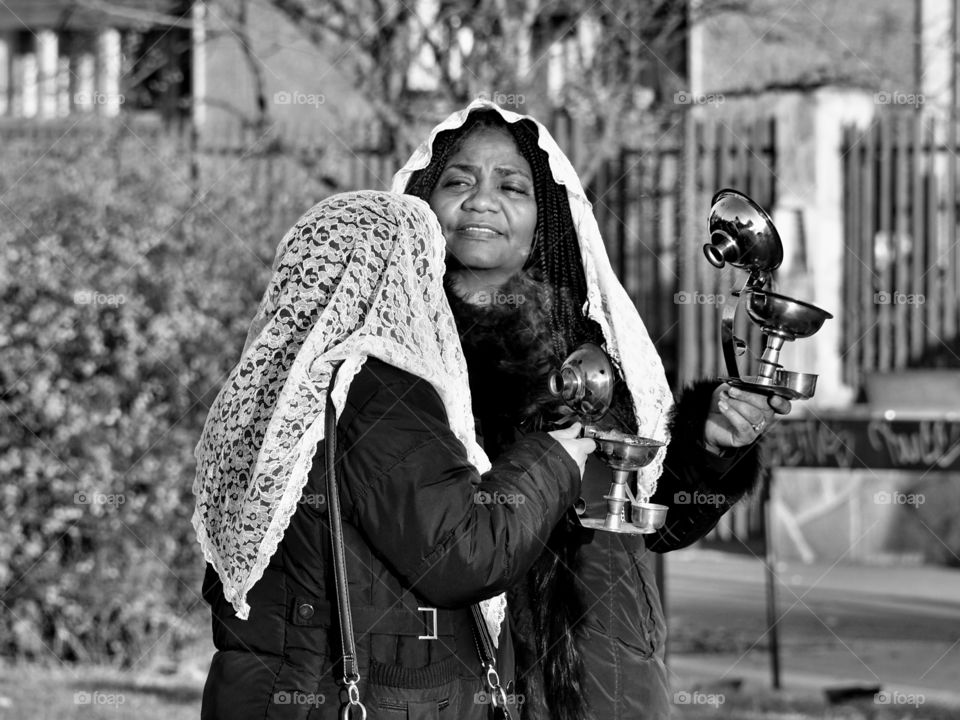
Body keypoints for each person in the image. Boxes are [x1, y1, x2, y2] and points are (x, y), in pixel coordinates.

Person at [392, 101, 792, 720]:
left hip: (600, 674)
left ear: (542, 217)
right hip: (445, 674)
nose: (480, 201)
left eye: (511, 186)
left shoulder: (592, 356)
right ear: (422, 201)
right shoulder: (394, 357)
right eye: (458, 180)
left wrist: (710, 445)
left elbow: (655, 520)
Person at [192, 190, 595, 719]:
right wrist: (554, 458)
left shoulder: (270, 384)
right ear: (399, 277)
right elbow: (463, 552)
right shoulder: (378, 390)